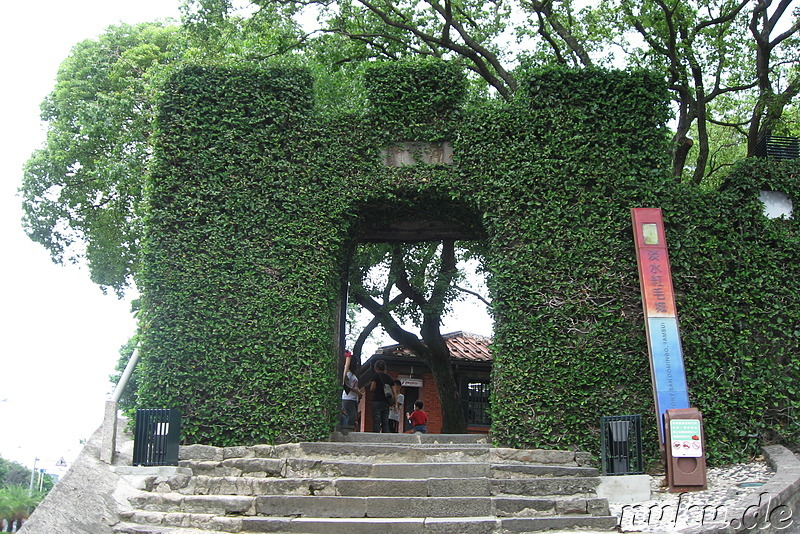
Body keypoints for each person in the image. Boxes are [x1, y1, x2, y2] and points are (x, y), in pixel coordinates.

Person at [369, 360, 393, 433]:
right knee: (385, 421)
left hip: (377, 400)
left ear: (376, 368)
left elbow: (372, 388)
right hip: (386, 401)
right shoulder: (389, 377)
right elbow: (393, 389)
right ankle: (386, 435)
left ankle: (376, 435)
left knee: (377, 420)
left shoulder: (376, 376)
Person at [341, 350, 361, 429]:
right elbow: (347, 386)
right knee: (351, 417)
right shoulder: (348, 374)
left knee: (353, 418)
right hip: (348, 398)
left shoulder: (353, 375)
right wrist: (358, 392)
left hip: (353, 399)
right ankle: (346, 433)